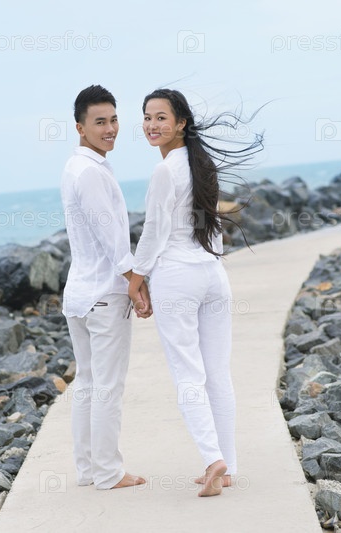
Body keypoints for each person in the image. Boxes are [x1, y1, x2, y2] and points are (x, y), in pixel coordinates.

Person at [128, 88, 261, 497]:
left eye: (161, 117)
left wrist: (136, 278)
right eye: (147, 117)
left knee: (188, 373)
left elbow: (154, 231)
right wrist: (211, 262)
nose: (152, 125)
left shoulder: (165, 171)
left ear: (181, 123)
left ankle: (212, 459)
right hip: (212, 275)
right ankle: (228, 466)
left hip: (177, 278)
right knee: (217, 373)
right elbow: (212, 225)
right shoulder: (202, 164)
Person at [61, 85, 150, 490]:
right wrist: (135, 282)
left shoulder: (75, 167)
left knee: (88, 383)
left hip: (80, 294)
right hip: (102, 294)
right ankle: (109, 473)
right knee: (107, 387)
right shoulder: (92, 172)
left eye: (113, 120)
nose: (110, 128)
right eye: (100, 122)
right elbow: (112, 237)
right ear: (80, 127)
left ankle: (88, 470)